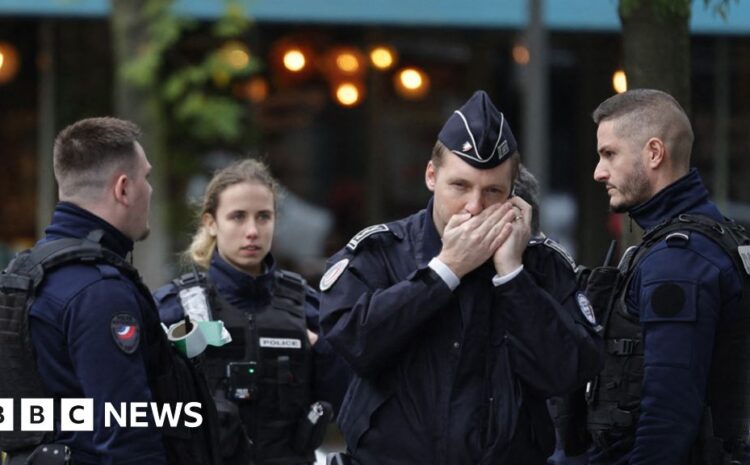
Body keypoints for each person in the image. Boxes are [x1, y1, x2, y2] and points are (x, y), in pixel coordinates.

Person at [318, 90, 603, 465]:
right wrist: (444, 271)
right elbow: (353, 344)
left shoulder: (542, 264)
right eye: (460, 186)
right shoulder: (380, 251)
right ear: (431, 175)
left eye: (493, 191)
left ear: (513, 192)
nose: (474, 205)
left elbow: (568, 373)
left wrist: (514, 277)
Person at [586, 88, 748, 464]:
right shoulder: (712, 238)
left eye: (609, 154)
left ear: (654, 153)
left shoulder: (678, 260)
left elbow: (668, 415)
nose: (599, 172)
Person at [154, 158, 349, 465]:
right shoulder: (176, 307)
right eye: (237, 217)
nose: (252, 231)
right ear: (210, 222)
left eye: (263, 217)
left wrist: (321, 351)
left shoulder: (308, 307)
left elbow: (349, 400)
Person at [27, 117, 168, 464]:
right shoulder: (100, 292)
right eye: (145, 178)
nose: (149, 190)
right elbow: (128, 435)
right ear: (123, 189)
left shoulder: (26, 274)